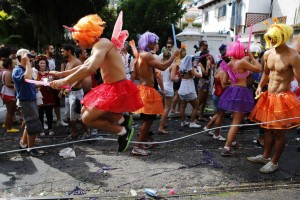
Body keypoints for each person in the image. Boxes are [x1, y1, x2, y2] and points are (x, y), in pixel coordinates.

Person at [50, 13, 143, 152]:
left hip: (117, 87)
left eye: (77, 40)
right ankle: (121, 120)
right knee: (83, 109)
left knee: (87, 119)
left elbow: (90, 68)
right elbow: (83, 66)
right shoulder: (98, 46)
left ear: (85, 36)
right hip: (110, 86)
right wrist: (61, 74)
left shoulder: (102, 44)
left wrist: (64, 80)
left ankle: (122, 131)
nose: (77, 43)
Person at [248, 23, 300, 173]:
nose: (271, 41)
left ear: (282, 37)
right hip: (268, 97)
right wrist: (259, 86)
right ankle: (265, 156)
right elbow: (266, 73)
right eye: (269, 38)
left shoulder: (293, 56)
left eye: (274, 38)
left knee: (278, 132)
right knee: (267, 130)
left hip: (283, 98)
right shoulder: (267, 54)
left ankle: (274, 161)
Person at [131, 31, 179, 156]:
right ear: (150, 43)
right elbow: (163, 67)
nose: (157, 44)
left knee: (147, 121)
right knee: (147, 121)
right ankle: (137, 146)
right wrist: (174, 56)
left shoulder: (139, 56)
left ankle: (143, 143)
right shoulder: (147, 55)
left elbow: (135, 75)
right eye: (156, 42)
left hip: (141, 89)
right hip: (147, 91)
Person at [218, 40, 261, 157]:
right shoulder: (242, 62)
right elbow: (259, 68)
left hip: (231, 92)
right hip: (241, 92)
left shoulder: (229, 64)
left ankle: (231, 141)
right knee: (236, 121)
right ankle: (227, 147)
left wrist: (237, 77)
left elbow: (224, 82)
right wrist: (251, 55)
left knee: (234, 120)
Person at [13, 49, 43, 157]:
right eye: (27, 56)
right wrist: (27, 63)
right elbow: (27, 77)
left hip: (31, 99)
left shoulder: (24, 69)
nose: (30, 58)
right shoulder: (18, 70)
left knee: (28, 123)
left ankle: (23, 145)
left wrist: (43, 83)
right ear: (21, 57)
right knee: (33, 124)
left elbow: (30, 83)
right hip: (26, 101)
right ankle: (31, 149)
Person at [44, 44, 68, 127]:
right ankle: (44, 121)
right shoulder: (43, 60)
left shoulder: (54, 60)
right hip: (46, 84)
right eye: (51, 49)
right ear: (46, 50)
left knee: (57, 102)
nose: (53, 50)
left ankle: (59, 120)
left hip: (55, 83)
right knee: (46, 103)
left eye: (53, 48)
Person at [1, 58, 19, 133]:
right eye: (13, 64)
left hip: (6, 92)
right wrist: (16, 85)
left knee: (11, 110)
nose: (14, 65)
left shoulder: (5, 71)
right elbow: (8, 84)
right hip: (8, 93)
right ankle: (9, 127)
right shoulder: (8, 73)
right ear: (9, 65)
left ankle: (6, 123)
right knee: (10, 111)